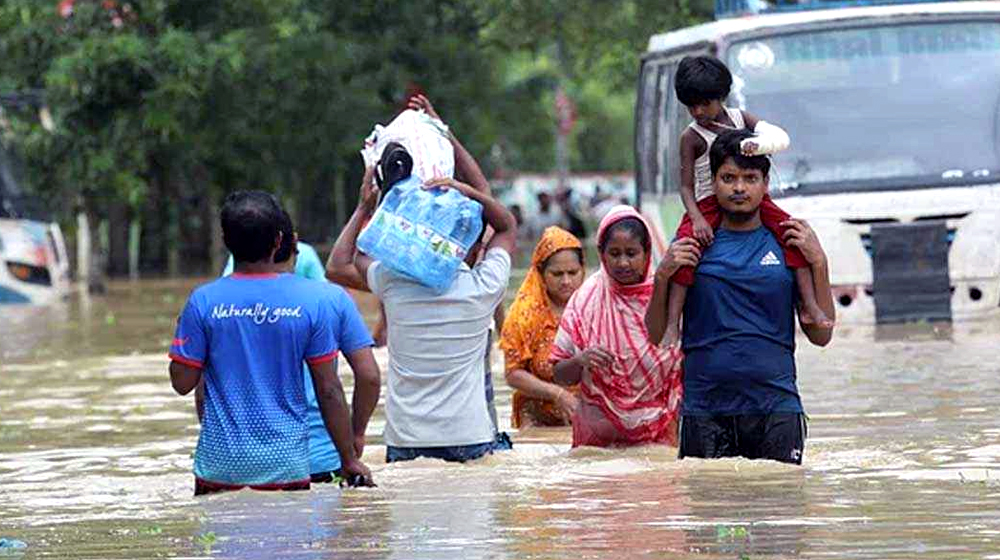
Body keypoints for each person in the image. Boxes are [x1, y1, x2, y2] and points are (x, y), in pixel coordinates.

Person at [646, 129, 835, 464]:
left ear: (765, 183)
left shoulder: (789, 240)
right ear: (713, 182)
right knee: (711, 512)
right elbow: (657, 334)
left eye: (750, 178)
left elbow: (821, 335)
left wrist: (819, 261)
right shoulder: (693, 243)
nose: (738, 188)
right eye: (728, 177)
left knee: (778, 510)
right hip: (704, 410)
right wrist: (662, 275)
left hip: (776, 408)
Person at [168, 191, 373, 495]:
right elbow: (329, 389)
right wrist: (348, 458)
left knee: (218, 541)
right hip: (286, 467)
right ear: (280, 242)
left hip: (220, 468)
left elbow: (183, 383)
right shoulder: (309, 303)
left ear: (225, 240)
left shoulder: (202, 302)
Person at [328, 163, 517, 463]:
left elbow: (342, 263)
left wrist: (369, 205)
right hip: (468, 438)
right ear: (470, 247)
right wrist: (468, 192)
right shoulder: (483, 288)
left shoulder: (393, 284)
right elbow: (506, 226)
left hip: (407, 439)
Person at [661, 55, 831, 347]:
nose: (699, 111)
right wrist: (698, 219)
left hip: (754, 201)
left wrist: (757, 146)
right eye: (692, 106)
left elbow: (777, 138)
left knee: (793, 237)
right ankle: (672, 323)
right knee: (684, 255)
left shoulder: (742, 119)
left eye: (705, 103)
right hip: (708, 204)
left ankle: (810, 305)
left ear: (722, 97)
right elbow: (687, 187)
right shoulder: (691, 137)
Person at [217, 210, 381, 484]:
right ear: (289, 240)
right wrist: (355, 437)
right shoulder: (331, 300)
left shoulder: (213, 302)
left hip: (240, 462)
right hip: (322, 457)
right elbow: (368, 377)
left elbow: (198, 389)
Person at [550, 205, 685, 448]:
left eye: (631, 253)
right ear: (601, 253)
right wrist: (581, 360)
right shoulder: (585, 300)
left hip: (659, 434)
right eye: (614, 253)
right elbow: (559, 374)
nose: (623, 263)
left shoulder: (666, 295)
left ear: (646, 253)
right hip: (599, 439)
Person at [500, 226, 585, 428]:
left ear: (583, 270)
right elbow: (513, 374)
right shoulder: (524, 315)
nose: (566, 281)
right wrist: (557, 394)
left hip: (586, 415)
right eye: (557, 274)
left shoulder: (595, 307)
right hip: (538, 420)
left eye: (572, 273)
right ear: (541, 273)